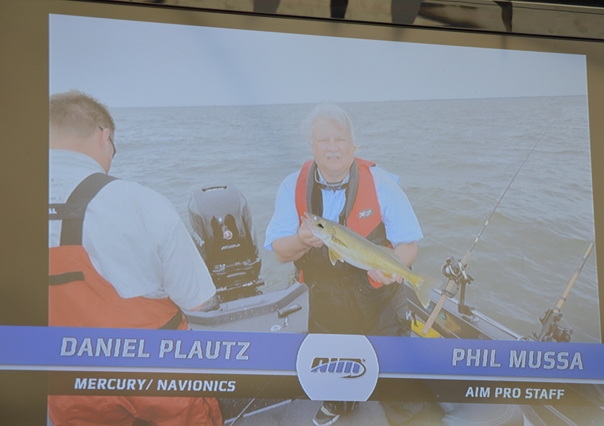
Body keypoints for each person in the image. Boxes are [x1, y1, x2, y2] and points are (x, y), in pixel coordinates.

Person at [48, 90, 222, 426]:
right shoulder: (139, 201)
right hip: (157, 373)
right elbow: (199, 302)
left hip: (63, 376)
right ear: (104, 137)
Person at [265, 103, 427, 425]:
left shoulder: (382, 183)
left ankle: (404, 413)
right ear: (312, 147)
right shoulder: (290, 187)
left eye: (340, 139)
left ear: (354, 145)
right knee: (335, 371)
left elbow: (409, 244)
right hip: (327, 304)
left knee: (398, 380)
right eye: (323, 140)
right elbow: (281, 252)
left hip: (380, 298)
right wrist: (301, 240)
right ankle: (339, 403)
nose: (333, 147)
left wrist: (392, 270)